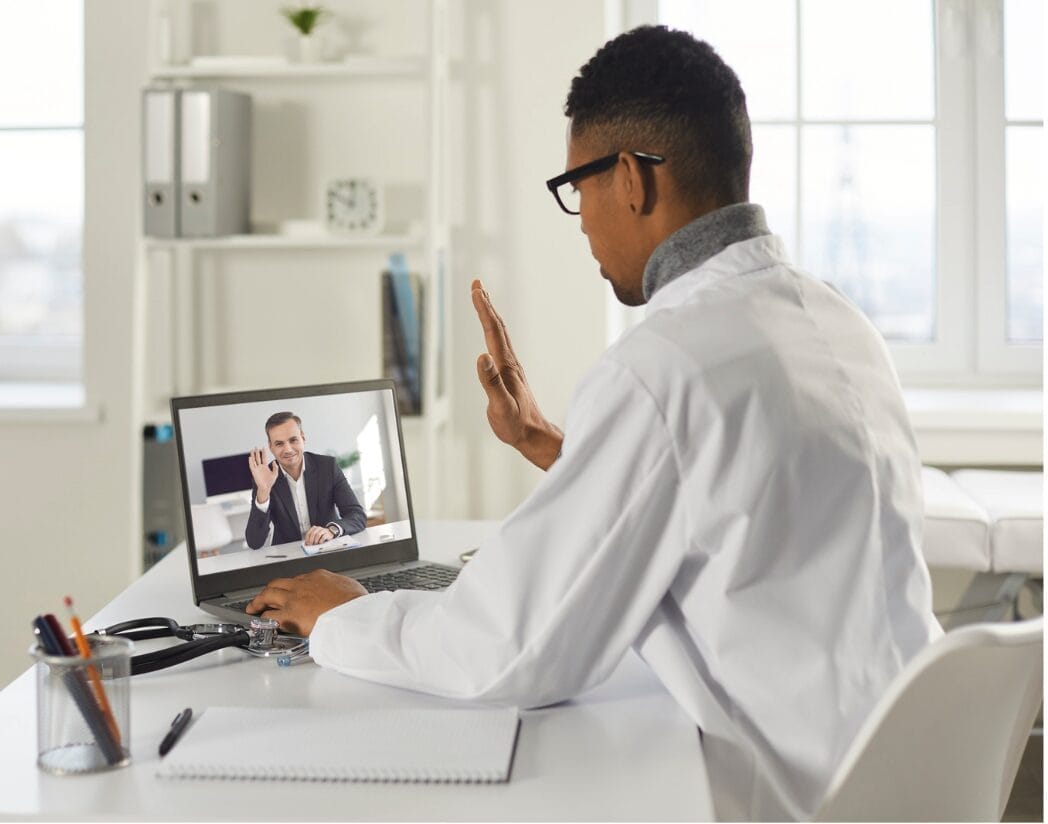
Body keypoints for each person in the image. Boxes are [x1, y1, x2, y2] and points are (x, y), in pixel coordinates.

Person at [246, 25, 941, 820]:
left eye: (578, 185)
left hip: (790, 797)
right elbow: (733, 498)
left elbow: (512, 650)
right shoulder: (834, 319)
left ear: (632, 179)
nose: (578, 220)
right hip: (902, 774)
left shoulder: (664, 366)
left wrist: (345, 615)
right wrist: (550, 445)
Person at [244, 411, 367, 548]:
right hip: (289, 558)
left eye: (293, 440)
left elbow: (357, 515)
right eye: (279, 444)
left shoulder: (327, 467)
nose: (288, 449)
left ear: (303, 438)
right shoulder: (264, 478)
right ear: (270, 446)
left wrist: (332, 530)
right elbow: (254, 542)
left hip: (329, 548)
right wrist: (263, 492)